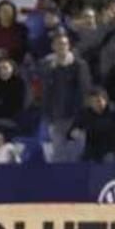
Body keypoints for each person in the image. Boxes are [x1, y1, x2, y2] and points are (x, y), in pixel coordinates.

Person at [41, 33, 92, 162]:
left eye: (64, 44)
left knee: (77, 154)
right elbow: (47, 93)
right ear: (53, 47)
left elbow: (85, 92)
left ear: (69, 46)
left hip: (75, 118)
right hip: (57, 118)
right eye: (58, 44)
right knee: (59, 155)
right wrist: (49, 117)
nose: (61, 47)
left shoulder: (79, 65)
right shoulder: (49, 67)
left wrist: (80, 120)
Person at [70, 88, 115, 163]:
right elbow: (73, 131)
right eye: (94, 101)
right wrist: (75, 132)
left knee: (109, 160)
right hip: (89, 150)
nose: (98, 103)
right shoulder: (84, 113)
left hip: (107, 151)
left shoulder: (111, 114)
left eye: (101, 100)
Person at [0, 58, 26, 133]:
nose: (2, 71)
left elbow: (16, 106)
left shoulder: (19, 83)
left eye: (5, 68)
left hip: (14, 121)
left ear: (12, 69)